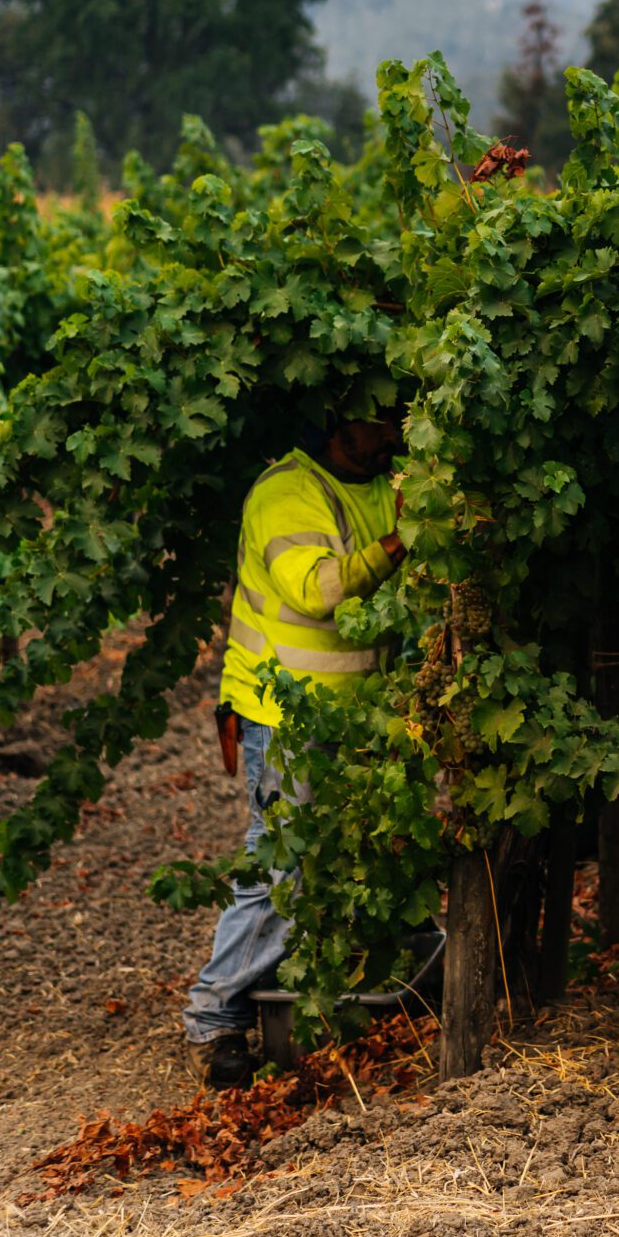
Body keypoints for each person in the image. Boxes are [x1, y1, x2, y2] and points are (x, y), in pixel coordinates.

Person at [180, 410, 405, 1087]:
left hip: (351, 715)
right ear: (337, 425)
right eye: (378, 421)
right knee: (283, 866)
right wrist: (402, 544)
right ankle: (216, 1016)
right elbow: (317, 592)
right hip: (285, 718)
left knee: (333, 866)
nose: (392, 430)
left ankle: (303, 1004)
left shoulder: (376, 487)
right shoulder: (287, 492)